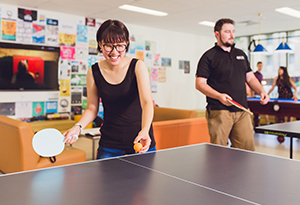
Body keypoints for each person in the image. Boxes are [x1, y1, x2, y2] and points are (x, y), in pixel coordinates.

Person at [63, 19, 156, 159]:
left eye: (120, 46)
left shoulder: (138, 66)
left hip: (140, 139)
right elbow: (91, 108)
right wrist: (78, 126)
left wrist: (145, 130)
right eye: (108, 46)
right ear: (100, 44)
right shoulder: (93, 71)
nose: (114, 52)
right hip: (110, 142)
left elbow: (147, 102)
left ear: (127, 44)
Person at [195, 18, 269, 151]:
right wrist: (219, 96)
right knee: (219, 153)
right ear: (217, 34)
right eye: (227, 31)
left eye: (233, 31)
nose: (232, 35)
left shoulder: (240, 54)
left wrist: (261, 91)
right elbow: (200, 84)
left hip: (242, 111)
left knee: (247, 152)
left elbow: (250, 78)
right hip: (219, 111)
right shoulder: (208, 57)